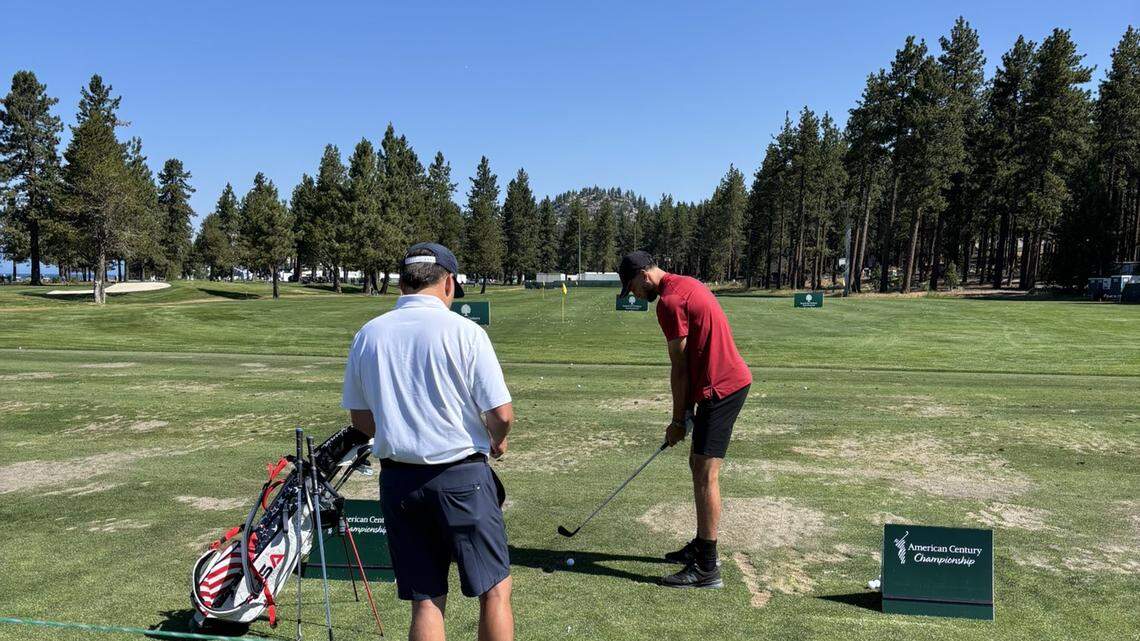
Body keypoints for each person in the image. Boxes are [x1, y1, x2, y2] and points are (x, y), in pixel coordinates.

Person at [341, 242, 515, 641]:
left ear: (402, 281)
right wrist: (498, 442)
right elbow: (501, 415)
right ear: (449, 283)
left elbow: (362, 422)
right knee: (495, 590)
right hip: (462, 478)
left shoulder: (369, 334)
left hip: (399, 482)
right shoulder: (466, 332)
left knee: (427, 599)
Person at [617, 250, 752, 589]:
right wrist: (687, 414)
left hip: (721, 388)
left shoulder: (669, 302)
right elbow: (693, 357)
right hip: (723, 382)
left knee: (706, 473)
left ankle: (707, 567)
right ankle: (701, 544)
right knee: (698, 464)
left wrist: (679, 420)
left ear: (644, 276)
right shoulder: (685, 284)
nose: (633, 294)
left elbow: (679, 368)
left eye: (631, 287)